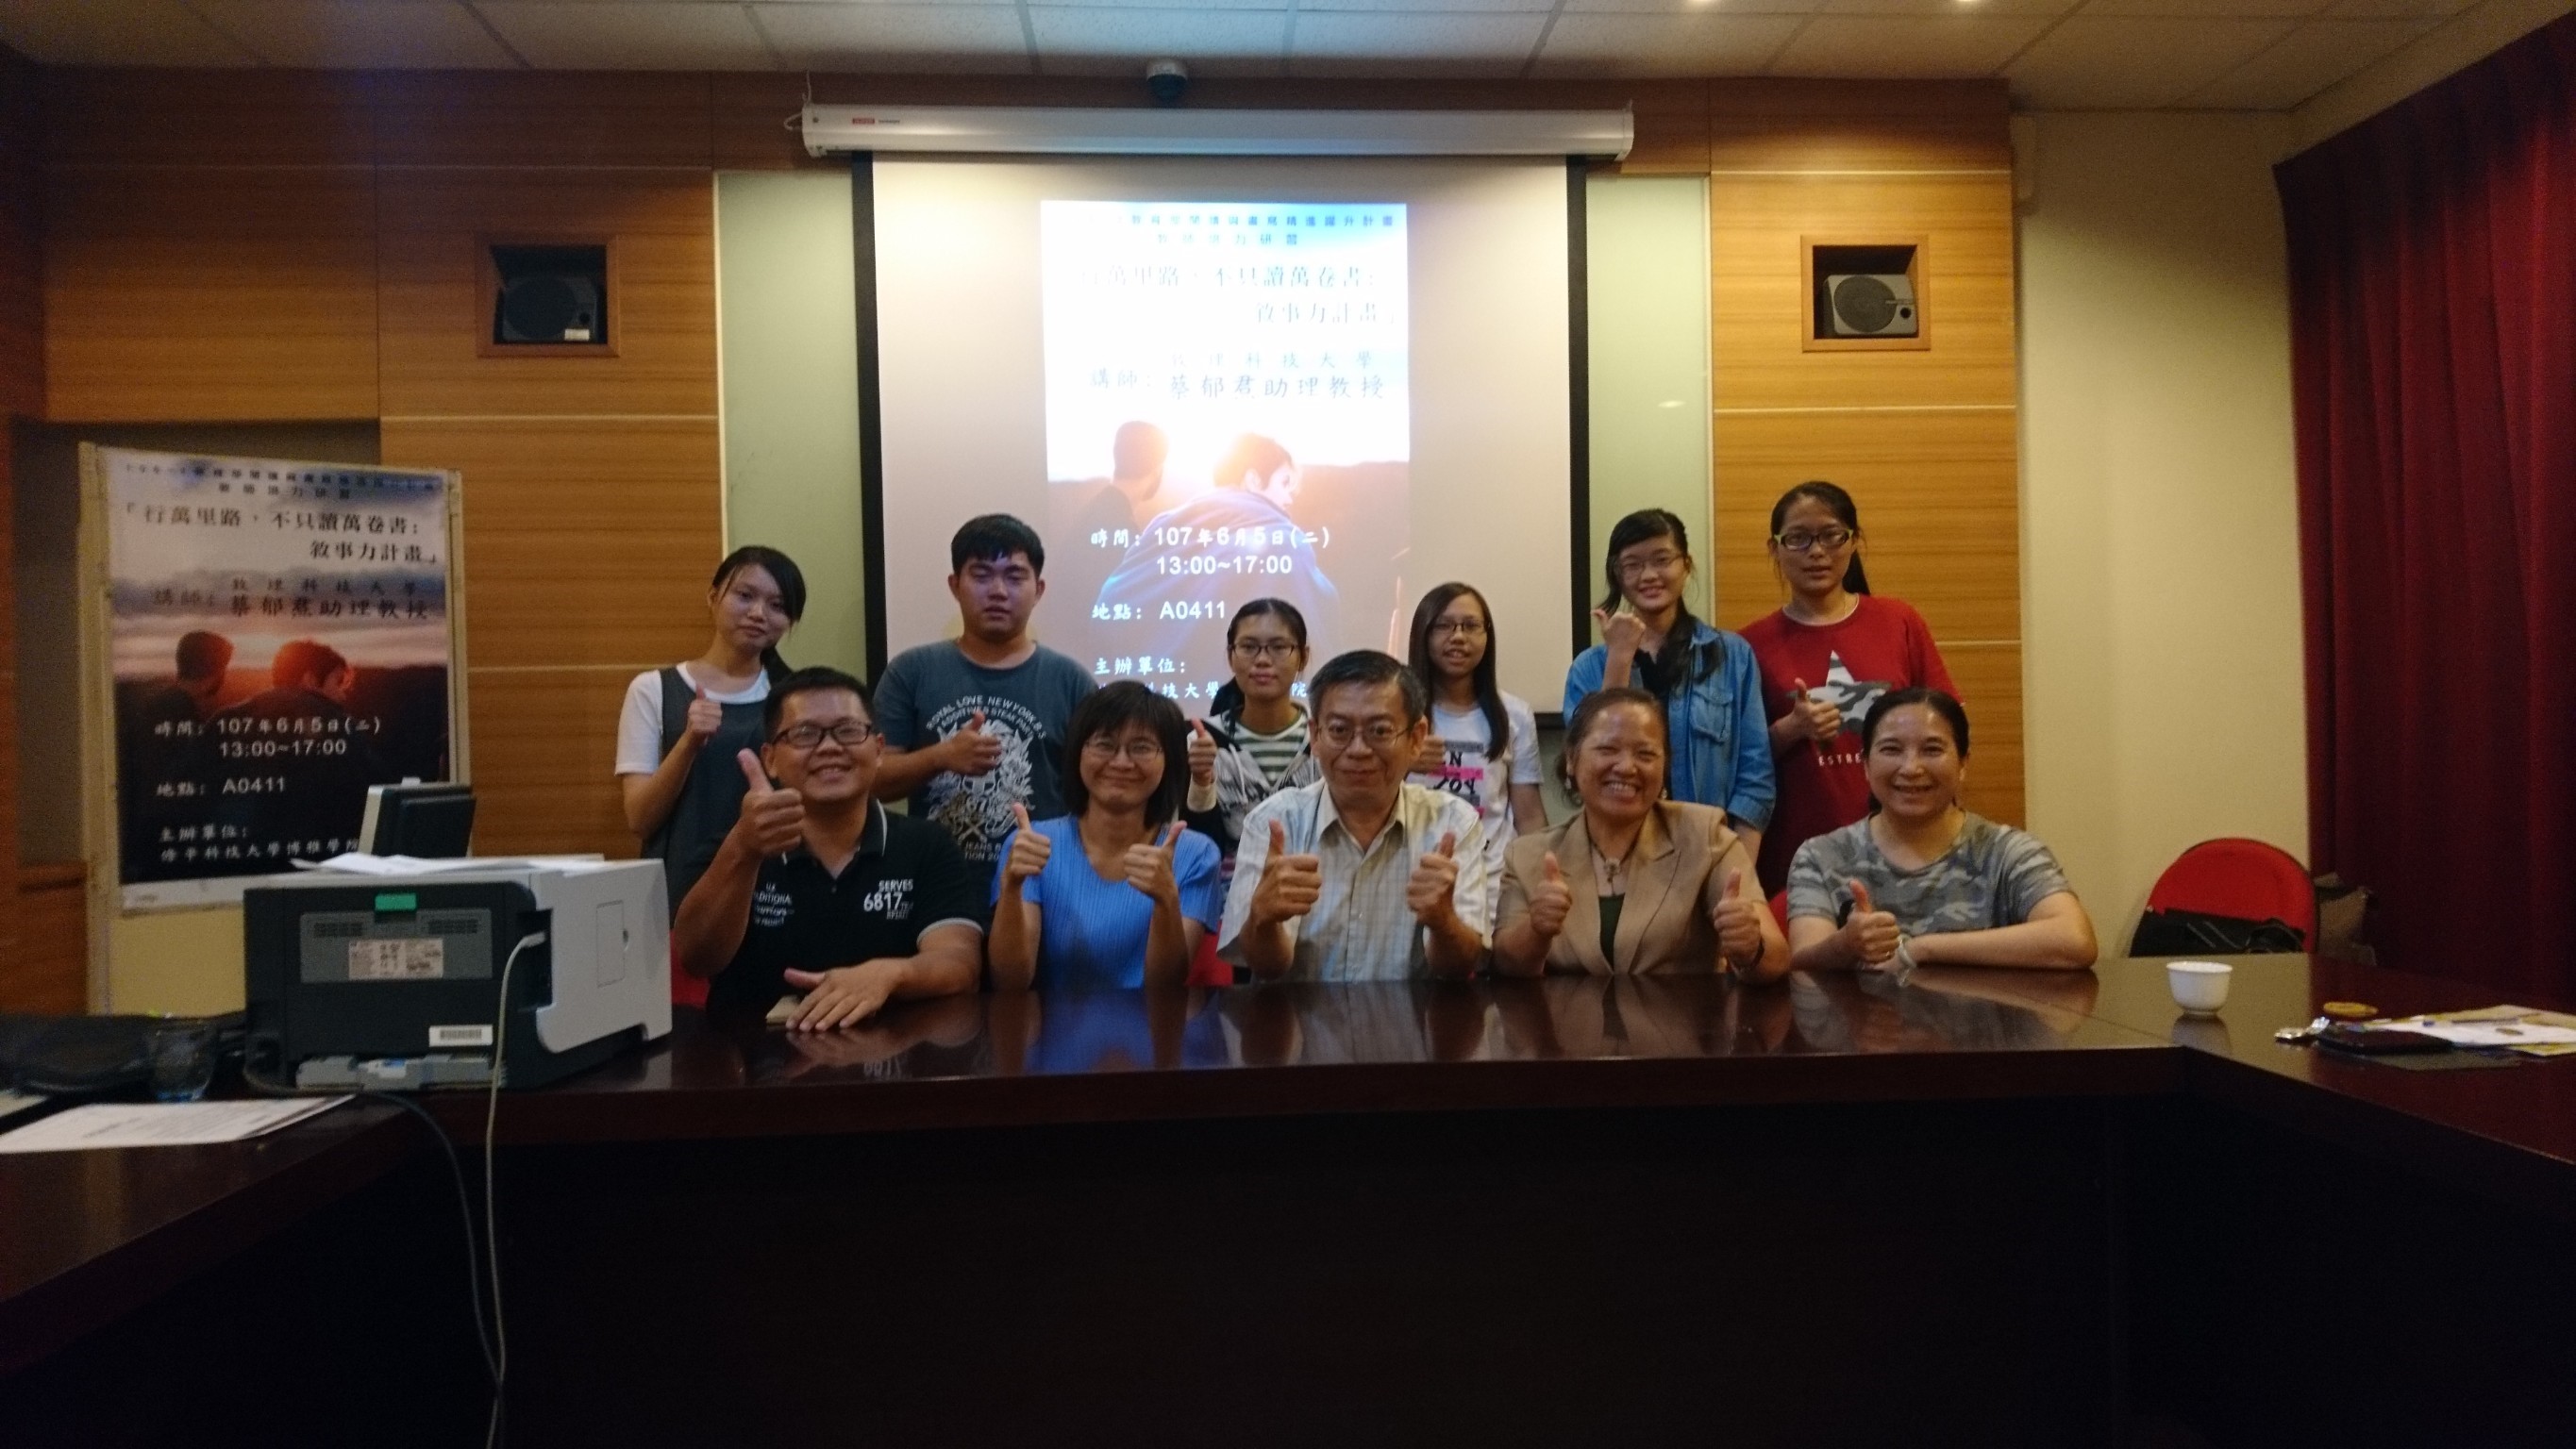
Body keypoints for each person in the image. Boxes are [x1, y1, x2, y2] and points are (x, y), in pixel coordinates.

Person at [675, 666, 984, 1028]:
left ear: (879, 749)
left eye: (848, 731)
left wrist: (890, 974)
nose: (830, 747)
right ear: (770, 759)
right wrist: (744, 849)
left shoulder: (927, 844)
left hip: (894, 1051)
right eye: (805, 734)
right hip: (757, 1053)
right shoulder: (732, 847)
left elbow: (960, 964)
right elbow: (696, 959)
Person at [1218, 650, 1488, 982]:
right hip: (1299, 1016)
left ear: (1416, 738)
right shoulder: (1273, 822)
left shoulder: (1453, 823)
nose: (1358, 749)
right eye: (1339, 730)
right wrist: (1264, 919)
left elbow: (1459, 966)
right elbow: (1265, 967)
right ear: (1315, 736)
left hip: (1412, 1015)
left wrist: (1444, 920)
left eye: (1379, 731)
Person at [1785, 688, 2097, 974]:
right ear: (1865, 764)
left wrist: (1919, 949)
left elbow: (2075, 940)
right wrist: (1845, 945)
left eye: (1932, 750)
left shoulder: (2008, 851)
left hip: (1981, 1019)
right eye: (1891, 749)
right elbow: (1801, 965)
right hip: (1859, 1019)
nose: (1911, 768)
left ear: (1963, 763)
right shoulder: (1820, 855)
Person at [1742, 482, 1955, 896]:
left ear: (1854, 540)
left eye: (1831, 535)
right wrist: (1791, 729)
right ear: (1774, 548)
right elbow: (1735, 764)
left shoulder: (1899, 621)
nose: (1816, 552)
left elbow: (1949, 728)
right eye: (1798, 539)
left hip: (1904, 844)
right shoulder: (1748, 646)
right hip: (1794, 855)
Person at [1493, 688, 1787, 979]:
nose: (1626, 767)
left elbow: (1777, 959)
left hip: (1683, 1012)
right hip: (1566, 1013)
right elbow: (1506, 965)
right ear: (1571, 758)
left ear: (1664, 765)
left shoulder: (1706, 837)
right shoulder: (1528, 856)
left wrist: (1752, 947)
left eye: (1645, 754)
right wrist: (1536, 930)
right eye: (1608, 750)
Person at [875, 514, 1097, 869]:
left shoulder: (1071, 681)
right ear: (955, 585)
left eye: (1014, 577)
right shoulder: (911, 671)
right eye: (981, 575)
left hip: (1042, 878)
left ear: (1038, 589)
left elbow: (1098, 790)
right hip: (936, 877)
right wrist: (941, 756)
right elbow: (873, 780)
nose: (998, 591)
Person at [1564, 508, 1774, 863]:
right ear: (1617, 574)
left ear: (1686, 565)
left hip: (1709, 851)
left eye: (1662, 560)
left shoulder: (1732, 655)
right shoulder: (1590, 666)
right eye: (1632, 565)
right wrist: (1619, 658)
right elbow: (1583, 766)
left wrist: (1738, 867)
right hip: (1618, 854)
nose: (1648, 575)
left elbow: (1755, 772)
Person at [989, 682, 1224, 991]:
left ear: (1169, 761)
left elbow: (1166, 986)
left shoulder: (1196, 854)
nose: (1121, 762)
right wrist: (1011, 888)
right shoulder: (1032, 843)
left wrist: (1166, 900)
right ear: (1078, 753)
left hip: (1150, 1021)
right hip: (1051, 1021)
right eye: (1104, 744)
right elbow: (1011, 981)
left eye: (1141, 747)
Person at [614, 546, 806, 919]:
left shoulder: (796, 699)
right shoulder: (653, 689)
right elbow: (639, 818)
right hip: (678, 893)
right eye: (745, 595)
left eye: (777, 606)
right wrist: (689, 742)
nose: (758, 613)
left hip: (775, 894)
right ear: (713, 597)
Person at [1092, 434, 1341, 692]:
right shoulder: (1284, 541)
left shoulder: (1163, 526)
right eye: (1285, 483)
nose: (1289, 498)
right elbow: (1320, 631)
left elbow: (1112, 600)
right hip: (1246, 706)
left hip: (1148, 699)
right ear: (1253, 479)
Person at [1403, 583, 1545, 925]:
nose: (1458, 637)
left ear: (1487, 636)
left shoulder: (1515, 714)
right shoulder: (1397, 714)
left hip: (1491, 884)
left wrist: (1536, 883)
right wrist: (1401, 763)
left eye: (1470, 626)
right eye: (1443, 625)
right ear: (1423, 634)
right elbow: (1362, 802)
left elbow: (1529, 817)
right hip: (1412, 876)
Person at [1181, 598, 1321, 880]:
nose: (1263, 660)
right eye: (1248, 647)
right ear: (1231, 656)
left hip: (1313, 891)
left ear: (1303, 657)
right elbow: (1199, 847)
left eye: (1279, 647)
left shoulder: (1324, 737)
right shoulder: (1202, 742)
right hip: (1228, 897)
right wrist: (1201, 780)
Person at [119, 630, 233, 879]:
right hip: (164, 843)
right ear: (215, 672)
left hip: (143, 840)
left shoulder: (154, 705)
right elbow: (187, 780)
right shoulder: (180, 713)